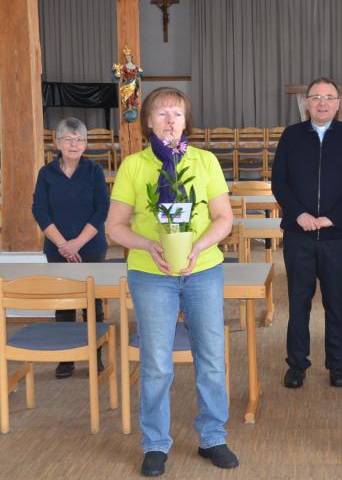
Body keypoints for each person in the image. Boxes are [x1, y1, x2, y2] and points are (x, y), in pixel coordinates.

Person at [106, 87, 237, 477]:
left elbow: (223, 218)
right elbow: (114, 227)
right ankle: (155, 443)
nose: (169, 121)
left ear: (186, 121)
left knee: (211, 358)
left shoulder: (205, 161)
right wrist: (149, 244)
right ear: (147, 121)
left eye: (176, 114)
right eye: (161, 114)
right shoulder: (133, 166)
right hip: (151, 274)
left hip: (203, 270)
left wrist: (196, 247)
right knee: (156, 363)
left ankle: (213, 435)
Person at [271, 76, 342, 389]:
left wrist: (332, 218)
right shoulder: (292, 136)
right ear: (307, 103)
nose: (323, 103)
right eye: (316, 97)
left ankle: (337, 365)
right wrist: (299, 214)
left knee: (335, 301)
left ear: (338, 103)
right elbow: (279, 182)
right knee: (298, 301)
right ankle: (297, 364)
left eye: (329, 97)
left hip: (336, 235)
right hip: (298, 235)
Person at [31, 117, 110, 379]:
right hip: (56, 247)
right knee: (63, 302)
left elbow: (102, 210)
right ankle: (65, 356)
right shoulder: (46, 173)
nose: (74, 143)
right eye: (68, 138)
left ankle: (94, 353)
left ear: (86, 144)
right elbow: (40, 210)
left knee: (92, 302)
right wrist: (63, 244)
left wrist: (77, 242)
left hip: (91, 246)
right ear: (57, 142)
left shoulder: (94, 171)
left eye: (79, 139)